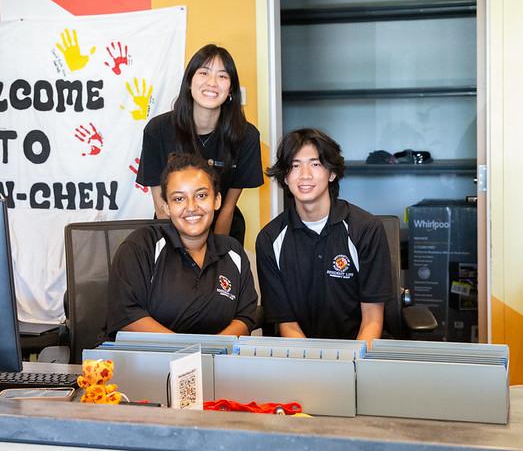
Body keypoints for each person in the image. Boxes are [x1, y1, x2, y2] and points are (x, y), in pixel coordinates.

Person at [255, 128, 392, 345]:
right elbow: (287, 324)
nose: (305, 175)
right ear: (285, 176)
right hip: (300, 360)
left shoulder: (366, 229)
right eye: (295, 165)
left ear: (332, 173)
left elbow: (372, 320)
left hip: (358, 355)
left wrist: (352, 368)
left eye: (315, 164)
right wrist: (314, 369)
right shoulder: (269, 239)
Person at [107, 152, 258, 335]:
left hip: (214, 359)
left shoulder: (233, 252)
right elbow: (126, 314)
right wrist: (188, 354)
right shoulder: (141, 246)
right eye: (179, 199)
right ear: (166, 206)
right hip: (150, 359)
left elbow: (245, 316)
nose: (192, 207)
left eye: (201, 195)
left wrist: (211, 353)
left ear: (216, 200)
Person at [136, 44, 263, 245]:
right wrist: (179, 252)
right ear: (189, 82)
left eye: (222, 76)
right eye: (204, 72)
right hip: (171, 230)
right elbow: (161, 205)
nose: (212, 83)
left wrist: (215, 253)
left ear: (230, 89)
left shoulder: (246, 136)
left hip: (223, 229)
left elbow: (228, 207)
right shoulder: (157, 130)